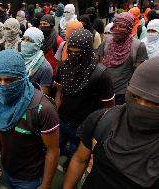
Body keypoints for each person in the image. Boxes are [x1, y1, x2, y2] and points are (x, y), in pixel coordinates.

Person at [63, 57, 159, 189]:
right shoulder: (103, 119)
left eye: (154, 103)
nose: (140, 106)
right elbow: (80, 160)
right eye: (135, 97)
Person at [0, 49, 59, 189]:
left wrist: (45, 184)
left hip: (31, 178)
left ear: (22, 77)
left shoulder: (42, 108)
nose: (3, 85)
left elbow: (53, 150)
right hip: (8, 170)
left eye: (9, 80)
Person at [55, 29, 115, 168]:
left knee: (77, 157)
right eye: (70, 52)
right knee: (60, 147)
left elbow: (109, 107)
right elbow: (59, 92)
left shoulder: (101, 74)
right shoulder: (64, 66)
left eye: (78, 53)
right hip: (63, 120)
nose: (74, 56)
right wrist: (56, 114)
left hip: (85, 127)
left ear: (88, 51)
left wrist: (99, 130)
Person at [99, 13, 148, 105]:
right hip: (104, 90)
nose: (117, 29)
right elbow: (100, 65)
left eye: (122, 26)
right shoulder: (107, 42)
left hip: (122, 93)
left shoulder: (138, 46)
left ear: (129, 28)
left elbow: (138, 73)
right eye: (115, 25)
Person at [20, 27, 53, 95]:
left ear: (38, 44)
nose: (24, 43)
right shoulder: (17, 58)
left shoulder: (45, 68)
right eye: (23, 39)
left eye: (29, 40)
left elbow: (43, 96)